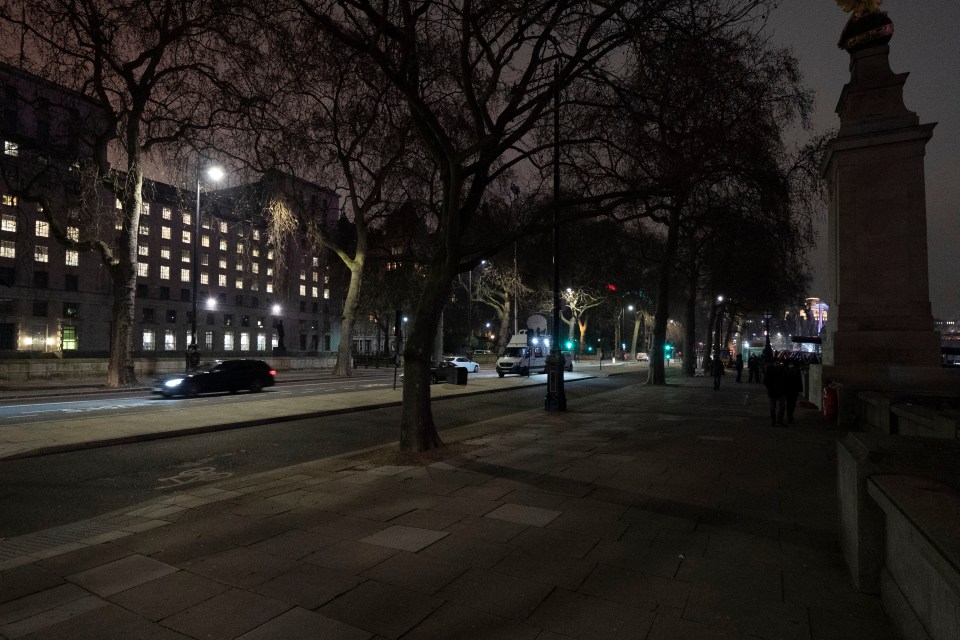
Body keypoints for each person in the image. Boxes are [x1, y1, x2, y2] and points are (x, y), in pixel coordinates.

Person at [764, 361, 788, 426]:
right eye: (776, 363)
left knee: (781, 407)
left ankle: (779, 420)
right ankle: (774, 421)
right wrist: (770, 388)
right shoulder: (770, 371)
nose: (778, 364)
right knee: (773, 407)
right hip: (773, 392)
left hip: (781, 392)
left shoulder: (783, 370)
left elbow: (786, 380)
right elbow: (766, 381)